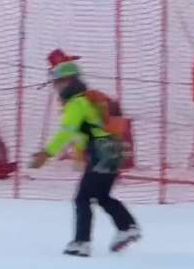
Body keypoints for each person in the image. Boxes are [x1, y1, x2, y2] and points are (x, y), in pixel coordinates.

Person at [30, 61, 140, 257]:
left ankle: (81, 242)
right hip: (113, 151)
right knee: (101, 196)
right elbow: (87, 131)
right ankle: (127, 226)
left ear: (69, 81)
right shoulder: (86, 101)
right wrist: (82, 155)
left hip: (102, 152)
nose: (56, 88)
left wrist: (47, 153)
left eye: (58, 82)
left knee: (82, 198)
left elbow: (67, 132)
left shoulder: (76, 103)